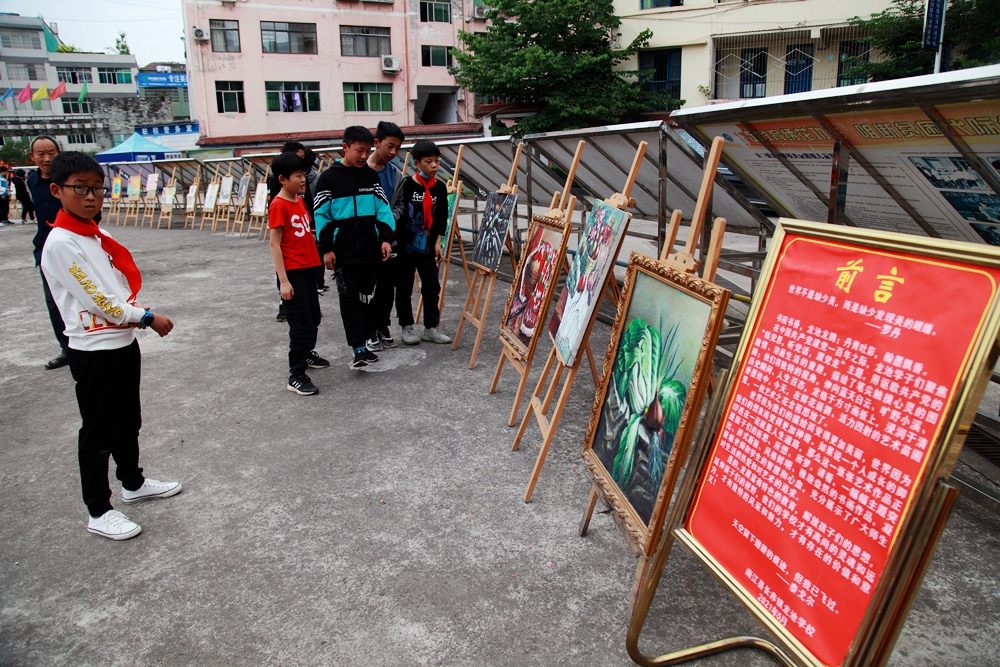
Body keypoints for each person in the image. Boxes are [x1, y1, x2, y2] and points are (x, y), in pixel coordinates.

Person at [40, 151, 181, 540]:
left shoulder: (95, 234)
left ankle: (133, 483)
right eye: (80, 189)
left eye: (97, 189)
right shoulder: (61, 242)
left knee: (128, 420)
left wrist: (135, 314)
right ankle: (98, 510)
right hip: (92, 350)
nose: (91, 197)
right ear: (57, 190)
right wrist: (146, 318)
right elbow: (97, 300)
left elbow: (114, 288)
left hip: (120, 342)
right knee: (98, 431)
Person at [314, 125, 396, 370]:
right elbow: (321, 215)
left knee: (366, 297)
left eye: (367, 151)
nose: (363, 156)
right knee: (349, 299)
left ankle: (366, 338)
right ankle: (358, 348)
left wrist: (385, 238)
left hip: (370, 252)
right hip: (343, 254)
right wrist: (327, 248)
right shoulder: (328, 179)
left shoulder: (370, 176)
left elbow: (383, 209)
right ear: (345, 148)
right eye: (359, 151)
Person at [267, 151, 329, 396]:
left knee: (313, 318)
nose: (304, 180)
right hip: (291, 273)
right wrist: (283, 281)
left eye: (304, 175)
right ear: (282, 179)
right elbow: (274, 244)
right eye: (298, 176)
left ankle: (307, 354)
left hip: (307, 270)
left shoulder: (299, 200)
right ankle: (296, 374)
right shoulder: (279, 205)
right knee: (300, 326)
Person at [391, 140, 452, 345]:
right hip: (405, 246)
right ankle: (407, 327)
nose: (434, 166)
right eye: (429, 162)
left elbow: (442, 217)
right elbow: (397, 212)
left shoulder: (440, 188)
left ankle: (430, 328)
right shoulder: (406, 185)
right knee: (404, 286)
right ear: (417, 163)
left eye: (437, 161)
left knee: (432, 285)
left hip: (427, 246)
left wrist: (438, 242)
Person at [28, 136, 73, 369]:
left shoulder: (67, 180)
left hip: (70, 248)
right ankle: (67, 349)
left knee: (81, 296)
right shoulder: (32, 180)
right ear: (32, 157)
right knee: (54, 302)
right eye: (41, 154)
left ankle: (84, 345)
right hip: (45, 251)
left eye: (51, 153)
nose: (46, 159)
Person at [367, 121, 405, 351]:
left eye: (397, 148)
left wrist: (389, 217)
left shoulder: (396, 174)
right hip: (365, 241)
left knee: (386, 287)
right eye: (390, 146)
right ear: (376, 142)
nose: (393, 152)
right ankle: (369, 329)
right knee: (366, 288)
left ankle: (383, 326)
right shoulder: (360, 171)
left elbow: (399, 204)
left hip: (389, 239)